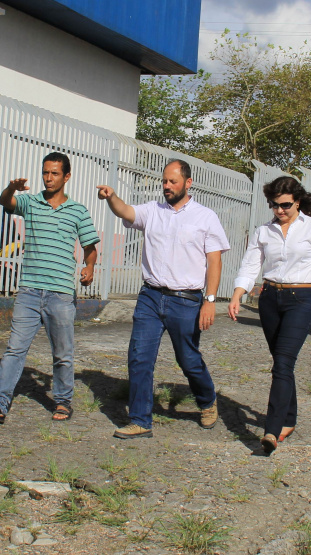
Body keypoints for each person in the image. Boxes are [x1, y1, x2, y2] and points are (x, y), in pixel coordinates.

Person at [97, 159, 230, 439]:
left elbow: (214, 261)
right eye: (164, 181)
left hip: (187, 300)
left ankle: (207, 401)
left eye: (173, 181)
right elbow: (127, 212)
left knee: (188, 359)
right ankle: (140, 419)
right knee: (139, 357)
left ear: (188, 183)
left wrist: (210, 300)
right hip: (150, 296)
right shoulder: (152, 211)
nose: (167, 186)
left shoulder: (205, 217)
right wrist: (112, 197)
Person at [0, 153, 99, 424]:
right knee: (14, 349)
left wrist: (89, 268)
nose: (48, 178)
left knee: (62, 353)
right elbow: (5, 202)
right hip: (29, 291)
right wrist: (11, 188)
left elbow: (90, 247)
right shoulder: (30, 203)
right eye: (45, 172)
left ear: (66, 177)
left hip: (61, 294)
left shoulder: (78, 211)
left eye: (54, 173)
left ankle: (63, 401)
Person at [228, 177, 311, 454]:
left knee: (283, 363)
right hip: (270, 299)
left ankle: (272, 430)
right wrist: (238, 294)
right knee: (281, 363)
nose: (279, 210)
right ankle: (289, 417)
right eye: (274, 205)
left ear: (297, 202)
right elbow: (250, 266)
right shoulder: (264, 231)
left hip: (302, 299)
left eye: (285, 205)